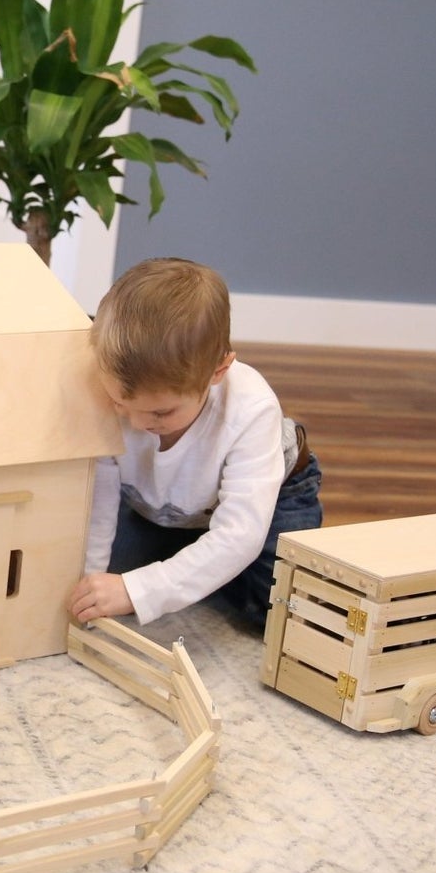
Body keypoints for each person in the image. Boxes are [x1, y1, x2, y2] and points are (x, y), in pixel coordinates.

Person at [69, 258, 322, 631]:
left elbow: (240, 534)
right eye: (121, 405)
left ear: (217, 372)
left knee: (281, 611)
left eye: (160, 413)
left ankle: (210, 567)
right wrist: (91, 587)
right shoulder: (106, 394)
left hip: (273, 498)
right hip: (161, 505)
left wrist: (145, 589)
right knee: (114, 580)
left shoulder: (252, 408)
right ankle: (198, 561)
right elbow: (99, 505)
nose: (137, 424)